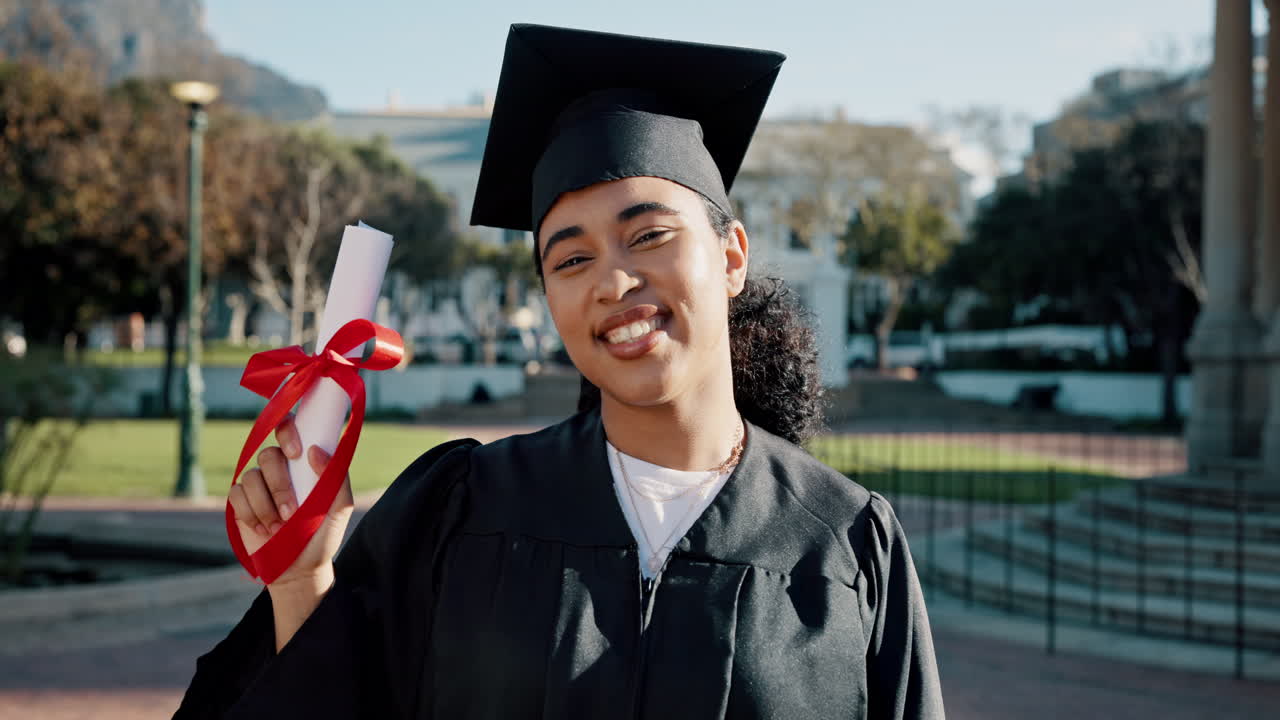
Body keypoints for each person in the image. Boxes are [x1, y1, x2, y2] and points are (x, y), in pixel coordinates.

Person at [177, 24, 945, 719]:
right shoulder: (461, 508)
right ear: (550, 297)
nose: (612, 282)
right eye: (572, 258)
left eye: (647, 235)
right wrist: (302, 581)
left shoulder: (845, 545)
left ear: (733, 256)